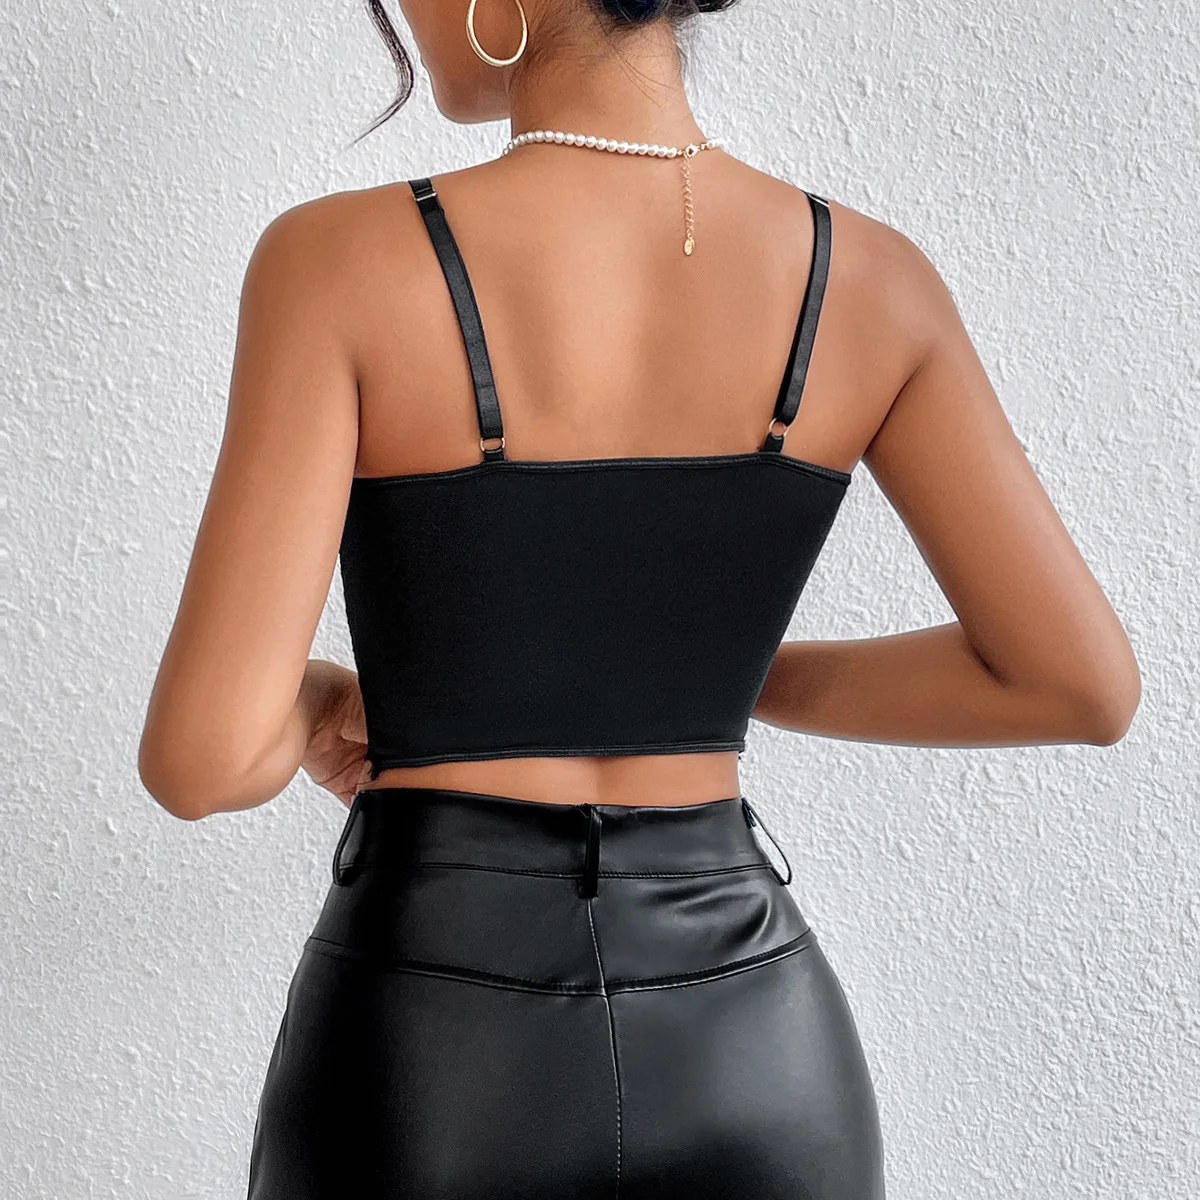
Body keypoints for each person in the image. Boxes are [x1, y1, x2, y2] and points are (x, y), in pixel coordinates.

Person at [137, 1, 1141, 1196]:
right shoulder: (871, 278)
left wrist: (310, 707)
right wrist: (690, 675)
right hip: (756, 1051)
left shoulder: (335, 259)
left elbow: (205, 764)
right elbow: (1072, 685)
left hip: (435, 1048)